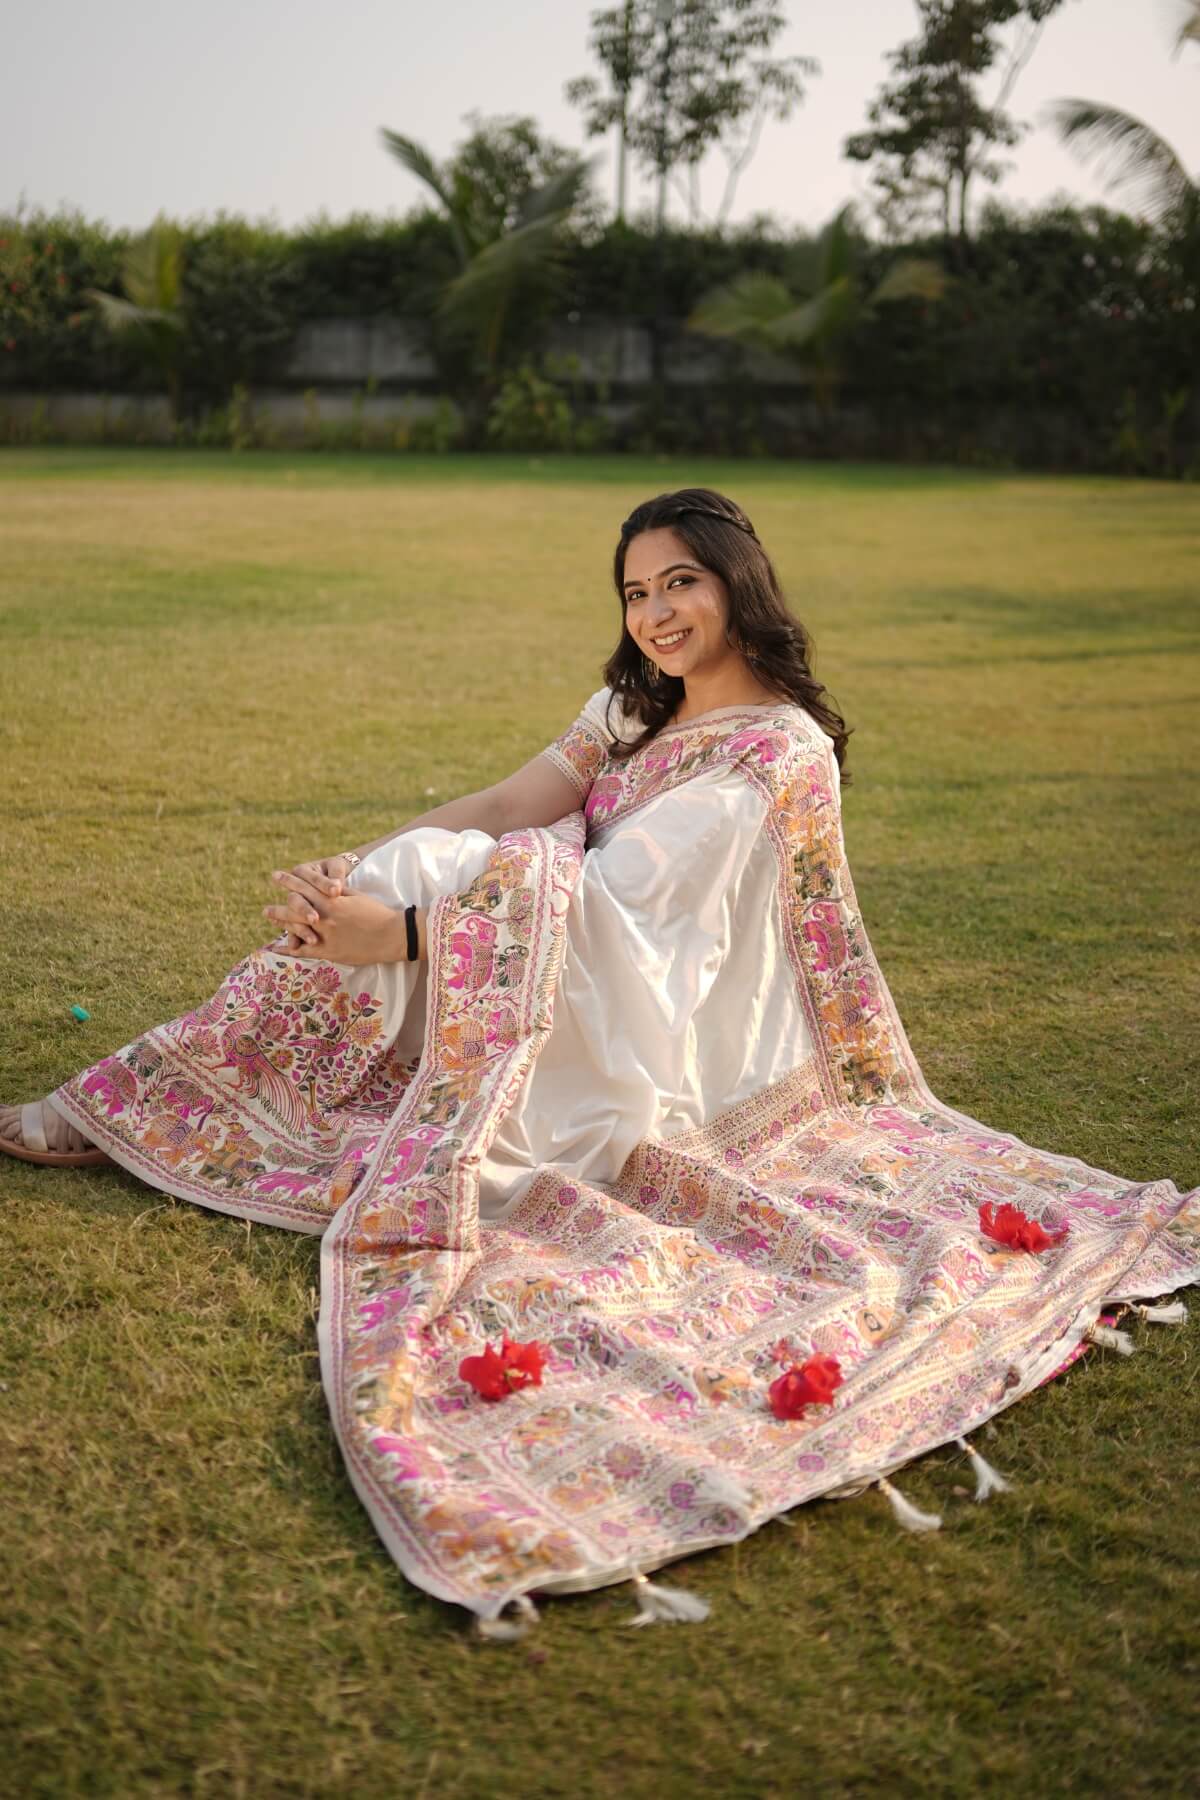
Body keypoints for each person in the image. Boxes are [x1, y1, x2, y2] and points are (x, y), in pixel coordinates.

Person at [3, 488, 1196, 1633]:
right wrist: (353, 871)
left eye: (681, 583)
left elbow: (629, 917)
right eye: (635, 593)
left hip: (649, 1036)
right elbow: (510, 802)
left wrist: (408, 934)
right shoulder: (635, 707)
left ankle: (156, 1104)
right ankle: (156, 1097)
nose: (657, 614)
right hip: (555, 975)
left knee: (452, 886)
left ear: (739, 583)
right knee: (426, 857)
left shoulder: (779, 754)